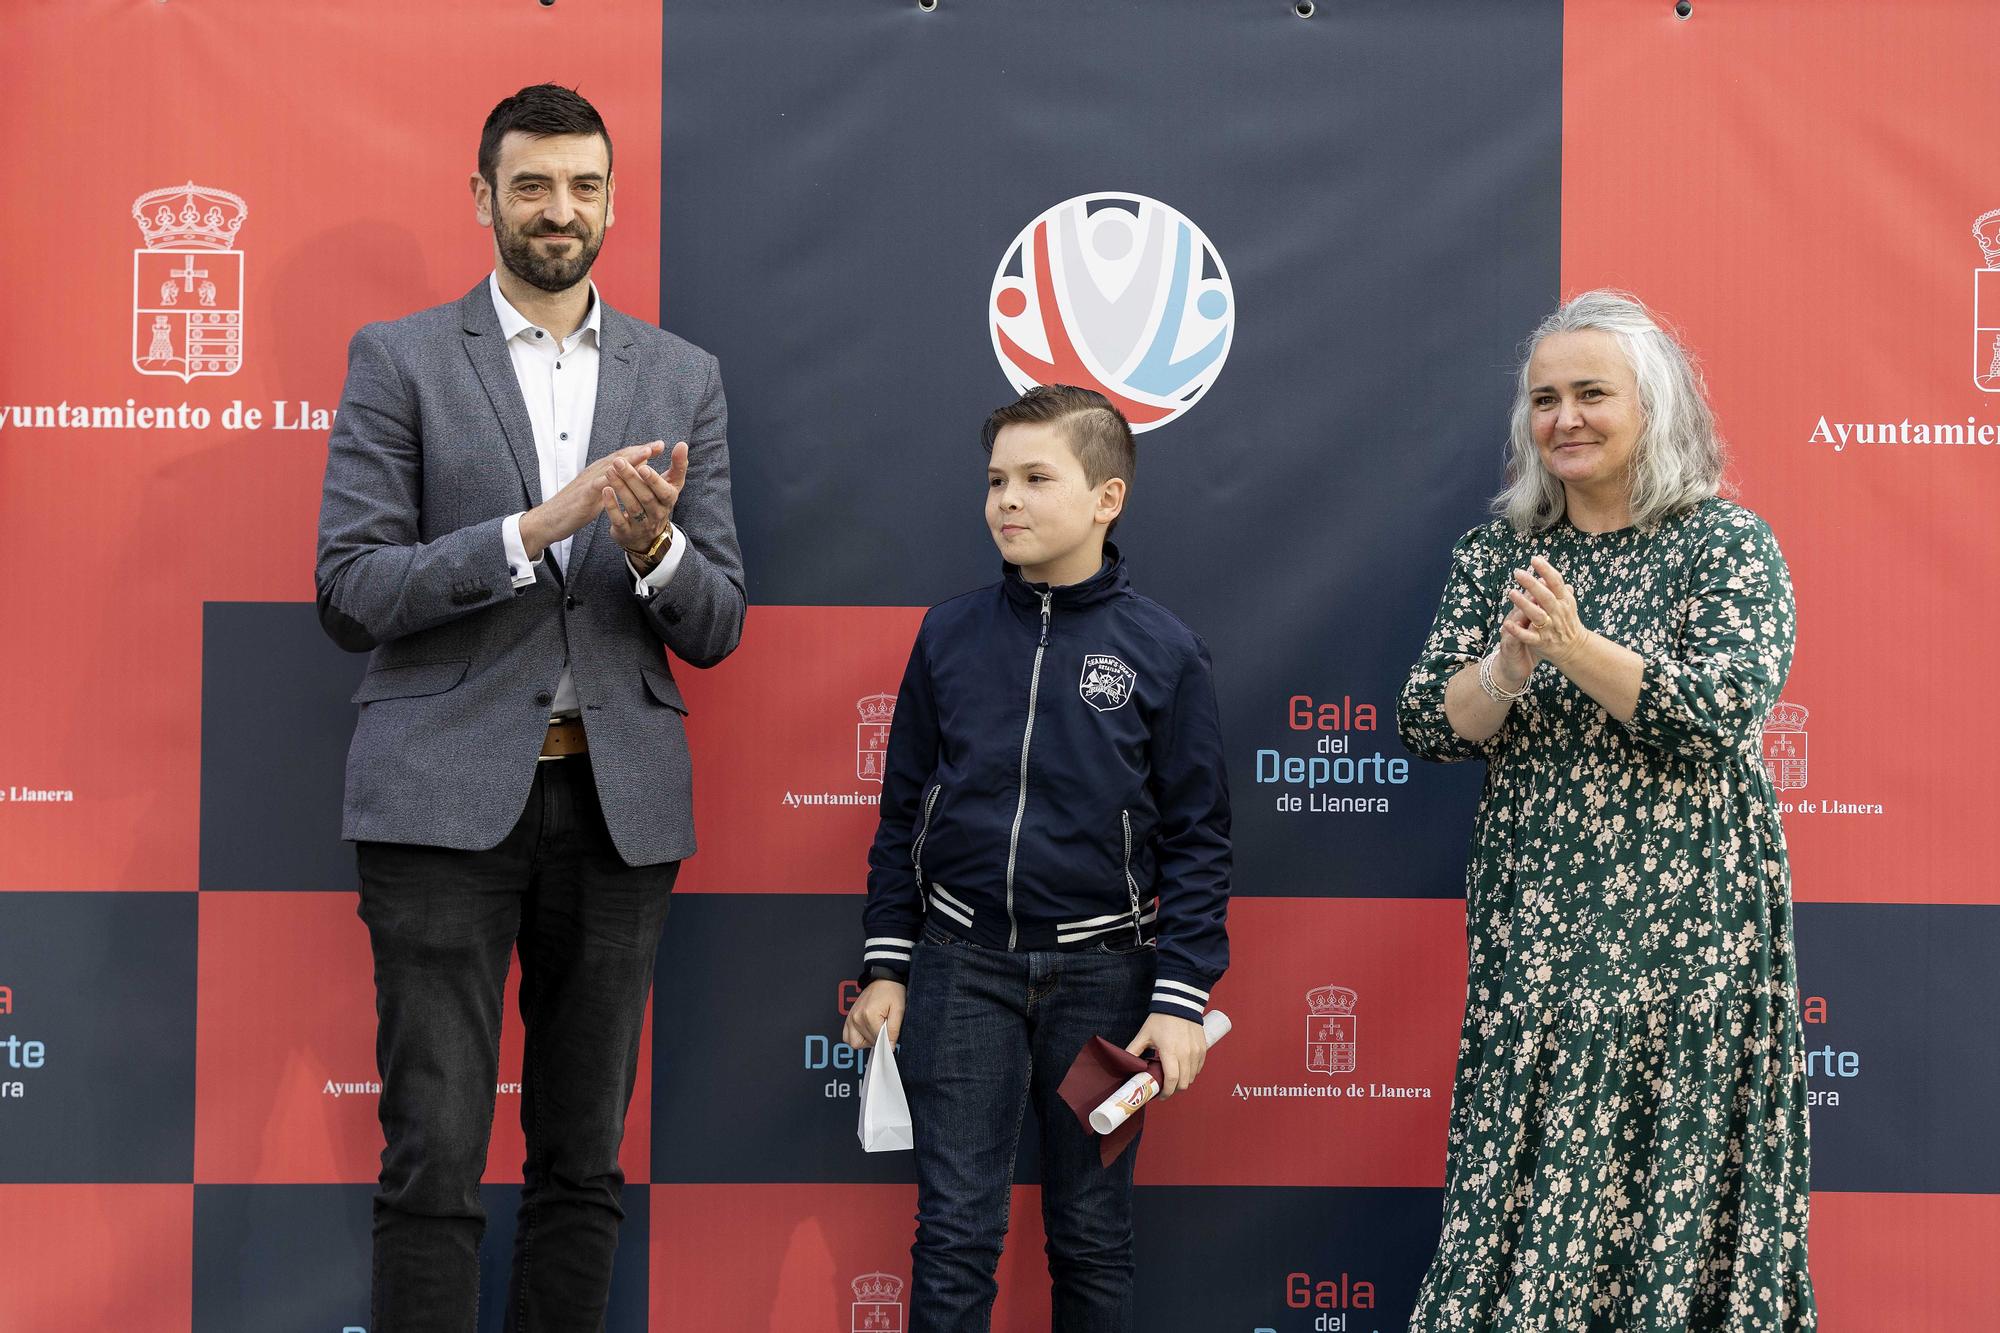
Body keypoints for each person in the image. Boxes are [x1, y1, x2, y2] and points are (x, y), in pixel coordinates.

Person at [314, 83, 745, 1329]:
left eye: (585, 186)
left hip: (620, 814)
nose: (561, 211)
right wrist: (529, 531)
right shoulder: (397, 359)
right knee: (434, 1160)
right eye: (534, 185)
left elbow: (716, 622)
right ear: (484, 196)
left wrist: (655, 551)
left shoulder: (684, 375)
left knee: (581, 1162)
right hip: (438, 802)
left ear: (612, 199)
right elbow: (350, 589)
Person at [1397, 291, 1815, 1331]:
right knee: (1524, 1180)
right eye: (1543, 399)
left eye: (1591, 393)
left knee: (1674, 1171)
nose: (1563, 418)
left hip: (1690, 937)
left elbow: (1716, 711)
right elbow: (1426, 723)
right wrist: (1506, 662)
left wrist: (1575, 647)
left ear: (1653, 407)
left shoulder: (1723, 545)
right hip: (1536, 927)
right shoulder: (1493, 557)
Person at [843, 384, 1232, 1332]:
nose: (1005, 501)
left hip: (1107, 982)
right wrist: (889, 963)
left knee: (1092, 1237)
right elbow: (900, 817)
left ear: (1107, 498)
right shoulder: (948, 634)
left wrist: (1180, 996)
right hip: (959, 970)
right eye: (994, 481)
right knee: (955, 1237)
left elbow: (1201, 838)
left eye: (1034, 478)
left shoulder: (1165, 651)